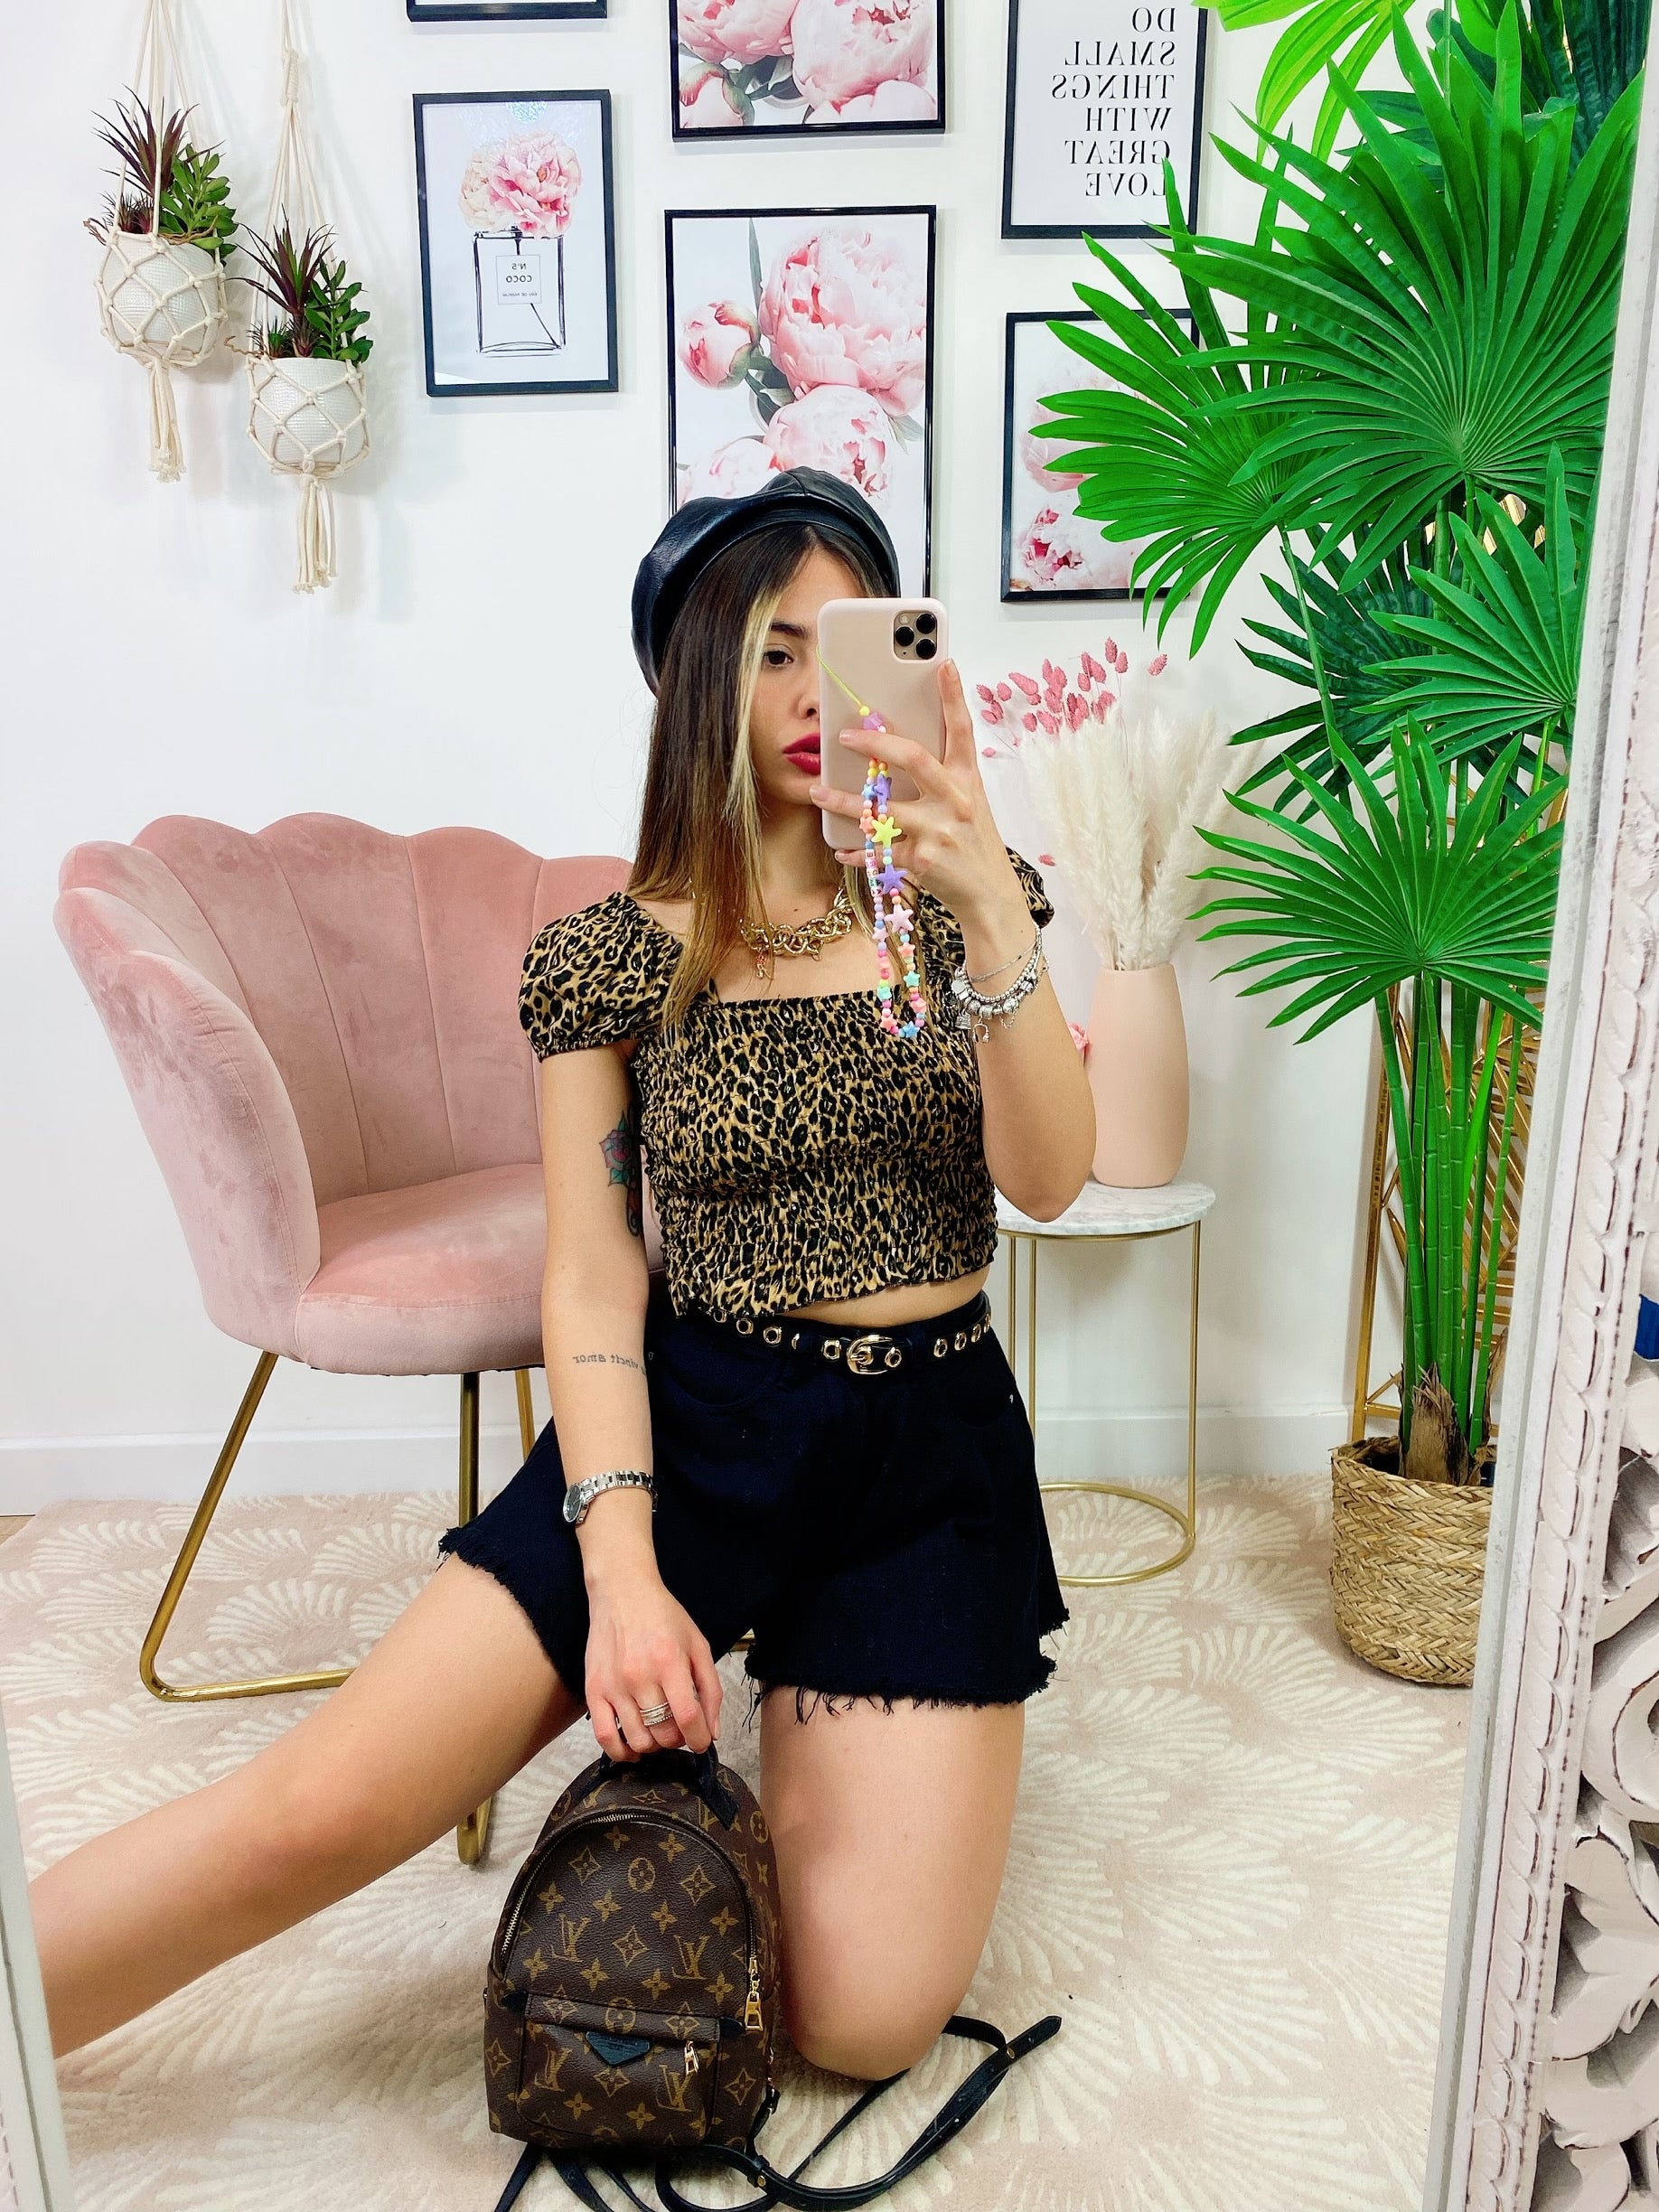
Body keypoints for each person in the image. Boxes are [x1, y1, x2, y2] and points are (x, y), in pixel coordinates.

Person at [29, 467, 1094, 2082]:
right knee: (315, 1809)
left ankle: (805, 1695)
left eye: (849, 647)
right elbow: (594, 1282)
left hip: (928, 1455)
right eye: (773, 654)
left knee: (864, 2022)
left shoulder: (959, 912)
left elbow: (1053, 1177)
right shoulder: (609, 958)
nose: (818, 697)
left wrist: (990, 906)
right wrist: (627, 1572)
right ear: (697, 682)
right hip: (700, 1422)